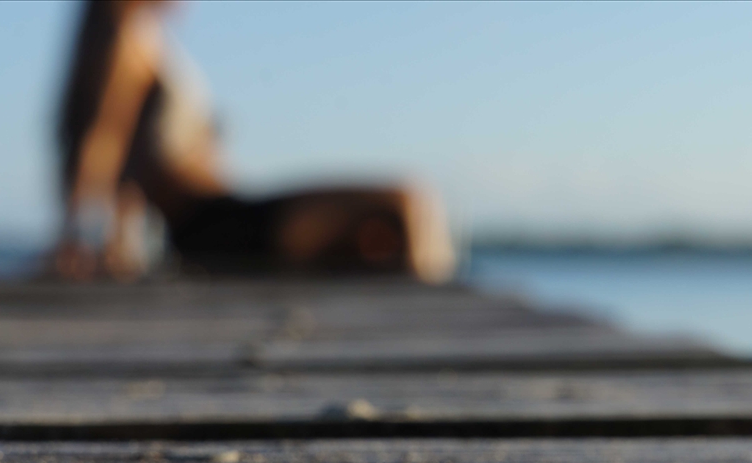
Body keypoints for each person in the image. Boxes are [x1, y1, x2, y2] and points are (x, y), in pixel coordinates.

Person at [55, 0, 455, 282]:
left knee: (373, 243)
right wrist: (81, 236)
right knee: (408, 202)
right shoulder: (126, 38)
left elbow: (123, 150)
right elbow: (104, 139)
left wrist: (117, 238)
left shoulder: (137, 39)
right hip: (221, 224)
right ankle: (442, 325)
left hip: (226, 219)